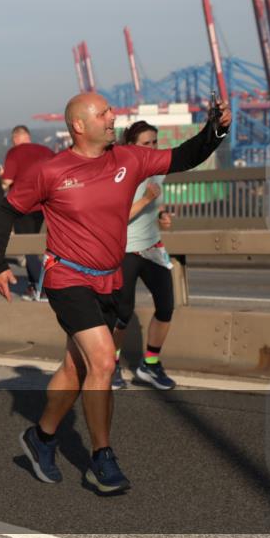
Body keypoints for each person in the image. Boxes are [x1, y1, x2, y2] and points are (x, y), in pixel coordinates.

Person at [0, 91, 230, 494]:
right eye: (104, 113)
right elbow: (7, 210)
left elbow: (183, 157)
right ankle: (101, 458)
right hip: (67, 278)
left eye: (111, 111)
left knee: (75, 368)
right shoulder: (51, 171)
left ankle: (41, 438)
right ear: (79, 125)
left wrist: (216, 129)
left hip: (109, 279)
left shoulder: (129, 159)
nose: (113, 116)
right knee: (102, 362)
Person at [111, 121, 176, 391]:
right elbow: (118, 215)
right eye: (145, 144)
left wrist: (161, 215)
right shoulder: (122, 173)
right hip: (125, 250)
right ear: (130, 147)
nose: (152, 148)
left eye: (155, 143)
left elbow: (154, 203)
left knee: (166, 307)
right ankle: (111, 364)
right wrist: (148, 199)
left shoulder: (158, 171)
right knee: (122, 314)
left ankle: (149, 364)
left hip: (152, 247)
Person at [2, 125, 55, 301]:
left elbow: (8, 180)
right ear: (28, 136)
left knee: (28, 248)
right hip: (44, 205)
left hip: (22, 206)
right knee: (40, 246)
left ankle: (42, 288)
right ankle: (34, 286)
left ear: (16, 138)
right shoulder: (46, 151)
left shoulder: (14, 153)